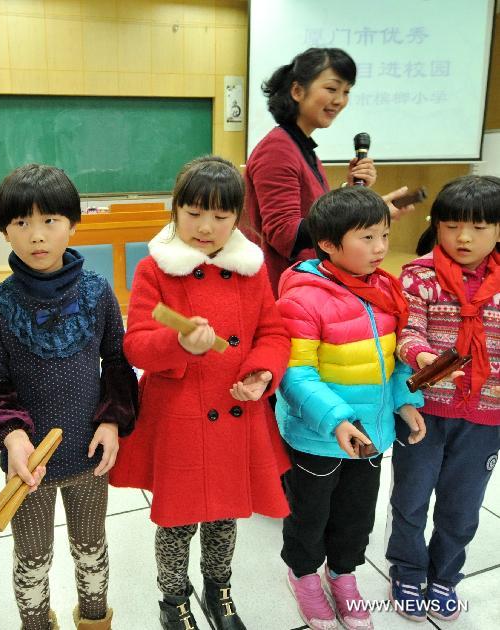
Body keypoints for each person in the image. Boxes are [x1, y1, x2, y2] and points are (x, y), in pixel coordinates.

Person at [110, 156, 291, 630]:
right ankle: (173, 601)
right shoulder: (155, 269)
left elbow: (273, 334)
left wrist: (261, 374)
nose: (206, 227)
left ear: (238, 218)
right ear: (175, 210)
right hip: (180, 417)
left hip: (238, 411)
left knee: (226, 513)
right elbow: (136, 344)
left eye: (221, 216)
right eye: (193, 213)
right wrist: (178, 343)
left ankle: (219, 592)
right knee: (176, 518)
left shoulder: (251, 271)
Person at [0, 163, 138, 630]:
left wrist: (111, 421)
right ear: (5, 231)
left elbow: (118, 364)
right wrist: (11, 437)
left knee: (92, 550)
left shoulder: (98, 292)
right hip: (29, 467)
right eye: (21, 223)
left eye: (50, 221)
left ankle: (94, 620)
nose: (36, 236)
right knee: (32, 559)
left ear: (73, 223)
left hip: (89, 457)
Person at [275, 187, 425, 630]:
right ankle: (303, 576)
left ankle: (343, 575)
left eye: (384, 234)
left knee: (357, 516)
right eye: (366, 238)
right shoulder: (302, 297)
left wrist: (406, 402)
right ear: (327, 243)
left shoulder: (385, 290)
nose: (380, 248)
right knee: (310, 515)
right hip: (318, 437)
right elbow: (294, 375)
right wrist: (337, 418)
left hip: (373, 433)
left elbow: (396, 361)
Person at [387, 175, 500, 623]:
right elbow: (407, 331)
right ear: (437, 227)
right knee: (411, 498)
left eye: (478, 227)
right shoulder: (418, 277)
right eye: (452, 226)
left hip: (487, 418)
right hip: (425, 412)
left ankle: (445, 575)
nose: (464, 237)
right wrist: (424, 356)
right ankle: (407, 569)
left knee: (463, 505)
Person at [244, 47, 415, 295]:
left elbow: (312, 211)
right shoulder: (278, 149)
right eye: (332, 89)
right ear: (297, 91)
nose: (340, 100)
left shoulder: (300, 145)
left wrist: (352, 193)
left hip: (307, 284)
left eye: (346, 92)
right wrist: (358, 217)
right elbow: (285, 234)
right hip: (289, 290)